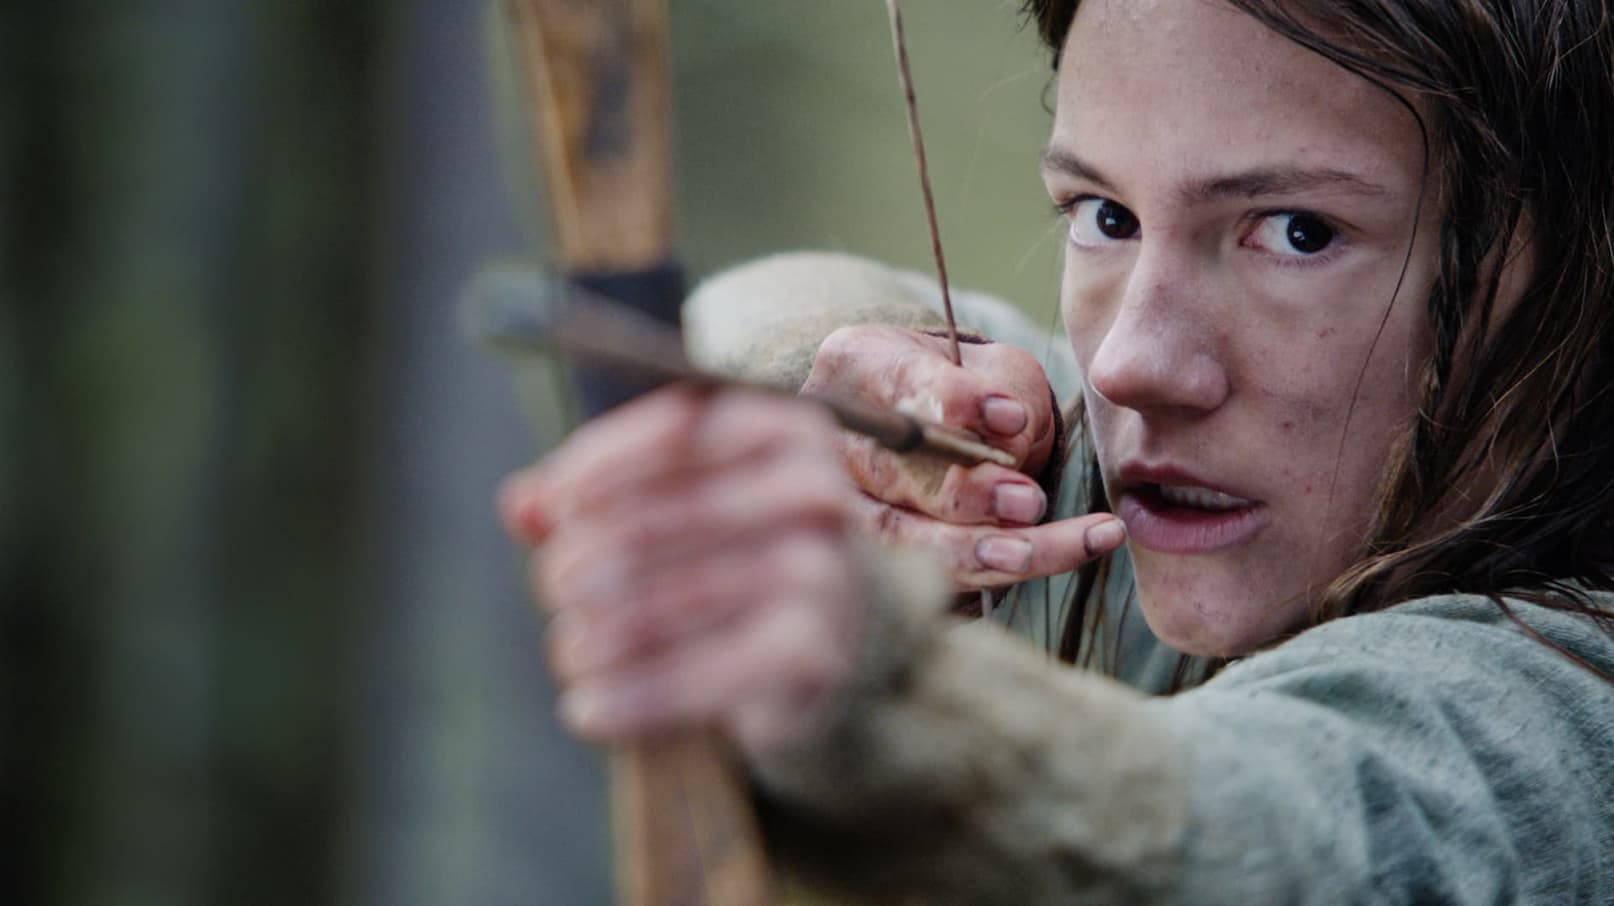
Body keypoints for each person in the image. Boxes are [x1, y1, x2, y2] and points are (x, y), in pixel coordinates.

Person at [498, 0, 1614, 901]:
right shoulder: (1176, 510)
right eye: (1104, 216)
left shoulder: (1571, 696)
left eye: (1298, 232)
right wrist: (838, 388)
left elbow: (1285, 831)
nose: (1129, 364)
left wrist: (876, 695)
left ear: (1575, 276)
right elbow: (755, 313)